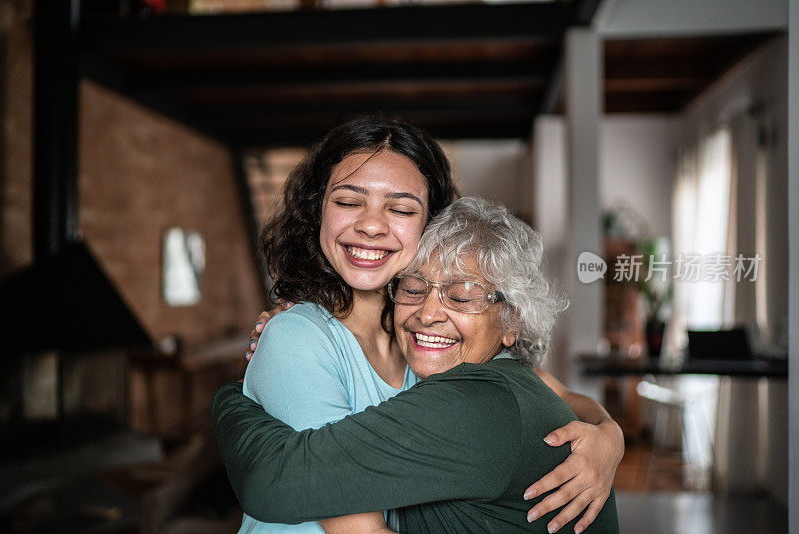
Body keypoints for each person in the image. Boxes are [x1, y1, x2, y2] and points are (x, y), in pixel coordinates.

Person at [239, 117, 622, 534]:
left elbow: (561, 395)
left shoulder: (427, 345)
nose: (370, 225)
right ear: (318, 211)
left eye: (401, 208)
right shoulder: (298, 338)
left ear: (433, 226)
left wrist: (609, 437)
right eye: (349, 202)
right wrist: (229, 405)